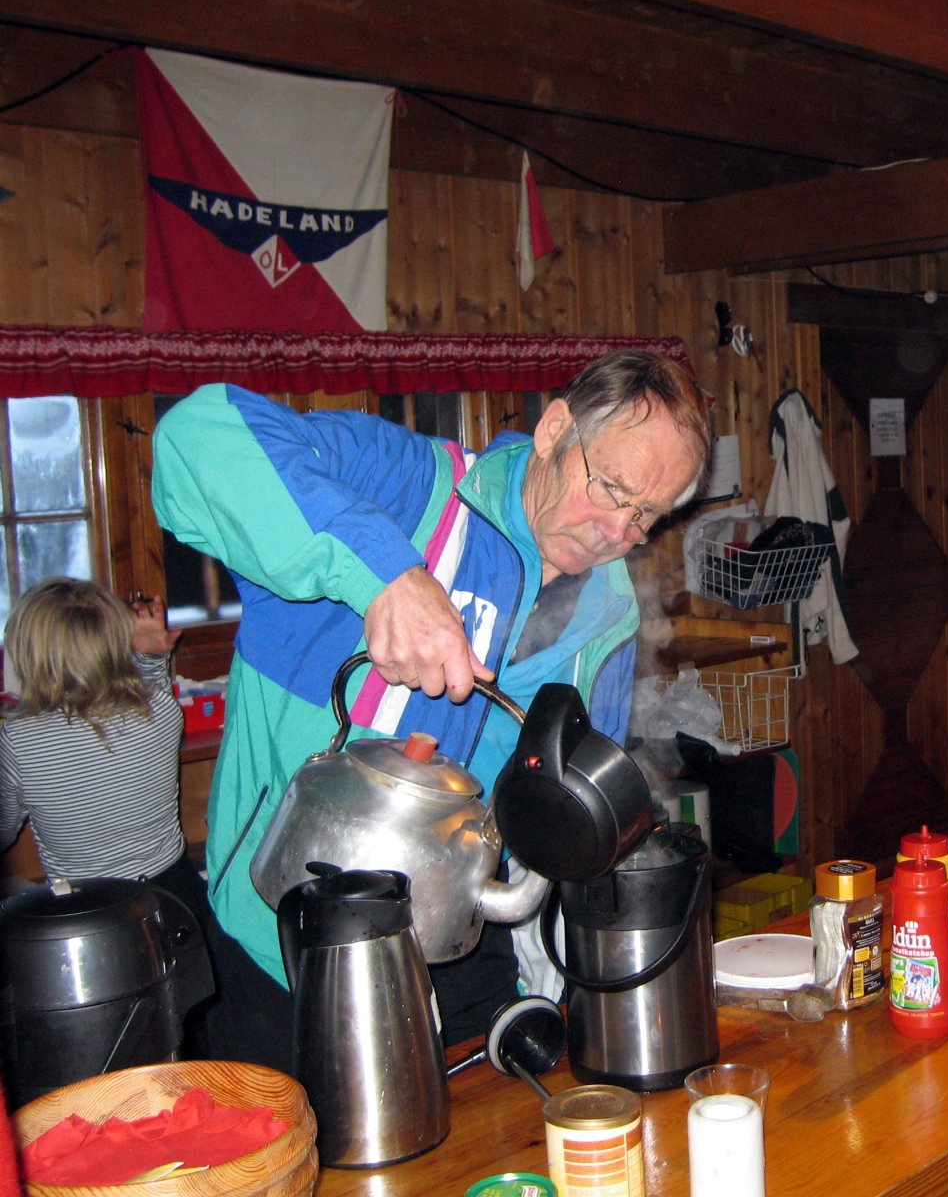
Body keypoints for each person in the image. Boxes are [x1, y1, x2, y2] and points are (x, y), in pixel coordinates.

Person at [152, 348, 711, 1069]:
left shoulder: (610, 618)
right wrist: (388, 576)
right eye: (610, 489)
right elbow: (196, 436)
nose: (616, 531)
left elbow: (550, 815)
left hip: (458, 957)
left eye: (646, 516)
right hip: (281, 945)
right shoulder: (406, 484)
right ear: (554, 431)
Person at [0, 580, 206, 922]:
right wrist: (152, 655)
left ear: (27, 653)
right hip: (175, 898)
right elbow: (151, 689)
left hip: (87, 912)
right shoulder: (161, 711)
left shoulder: (19, 739)